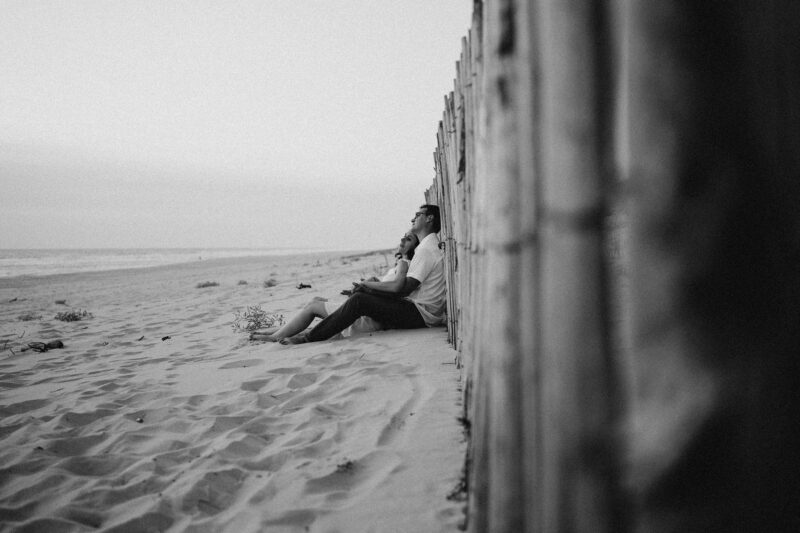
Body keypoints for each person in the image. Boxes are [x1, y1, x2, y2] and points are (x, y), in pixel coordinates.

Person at [282, 204, 446, 345]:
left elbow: (403, 289)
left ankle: (308, 338)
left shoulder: (426, 249)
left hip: (420, 315)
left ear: (429, 218)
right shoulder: (425, 247)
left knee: (359, 300)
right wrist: (368, 288)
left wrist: (368, 286)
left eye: (418, 215)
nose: (413, 219)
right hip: (417, 310)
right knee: (360, 295)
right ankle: (311, 331)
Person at [249, 232, 420, 343]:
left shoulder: (405, 264)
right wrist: (372, 282)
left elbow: (395, 288)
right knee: (317, 301)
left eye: (409, 239)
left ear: (414, 247)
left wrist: (366, 286)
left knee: (314, 306)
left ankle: (275, 336)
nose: (403, 240)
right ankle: (276, 332)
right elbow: (387, 285)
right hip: (368, 313)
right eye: (403, 237)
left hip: (367, 318)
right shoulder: (400, 264)